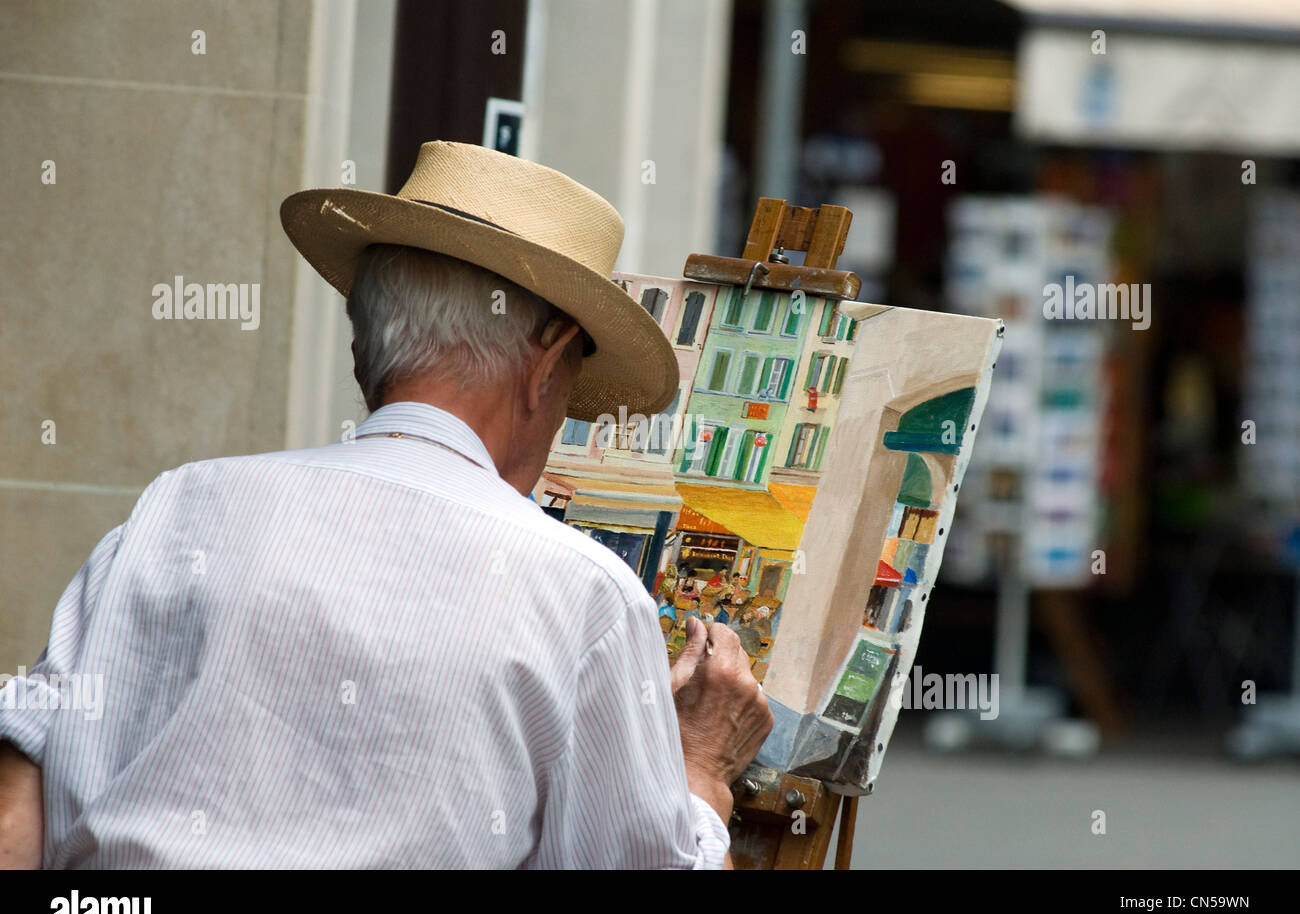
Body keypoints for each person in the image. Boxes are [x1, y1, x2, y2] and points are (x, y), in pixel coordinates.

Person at [0, 141, 772, 869]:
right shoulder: (585, 595)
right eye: (574, 377)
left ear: (361, 347)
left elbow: (19, 792)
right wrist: (701, 772)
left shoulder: (181, 504)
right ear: (544, 363)